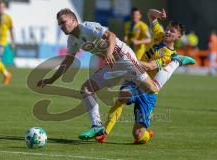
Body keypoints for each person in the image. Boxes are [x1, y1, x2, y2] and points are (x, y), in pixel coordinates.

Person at [37, 8, 195, 140]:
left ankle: (176, 61)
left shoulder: (88, 27)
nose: (61, 26)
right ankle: (97, 126)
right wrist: (50, 79)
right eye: (59, 24)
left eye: (63, 22)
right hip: (112, 63)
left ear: (73, 20)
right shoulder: (72, 40)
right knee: (86, 89)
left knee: (152, 88)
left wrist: (108, 52)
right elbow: (67, 62)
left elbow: (111, 36)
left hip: (124, 57)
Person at [96, 9, 197, 144]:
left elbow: (149, 67)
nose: (167, 32)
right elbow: (150, 14)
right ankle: (104, 132)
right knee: (123, 95)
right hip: (135, 78)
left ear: (178, 37)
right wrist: (159, 15)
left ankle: (146, 135)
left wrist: (129, 60)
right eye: (167, 28)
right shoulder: (159, 35)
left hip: (148, 90)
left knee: (138, 135)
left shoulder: (168, 55)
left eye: (172, 31)